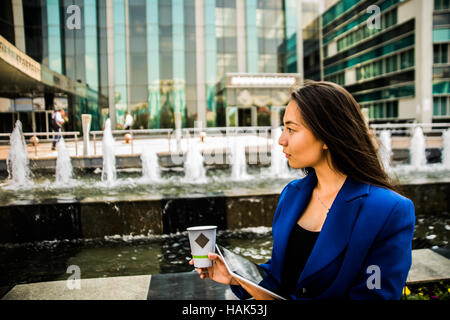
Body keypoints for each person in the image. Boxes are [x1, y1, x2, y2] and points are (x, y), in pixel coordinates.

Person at [190, 81, 415, 300]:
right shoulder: (292, 194)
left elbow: (374, 295)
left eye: (291, 129)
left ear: (327, 136)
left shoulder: (389, 210)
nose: (281, 140)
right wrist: (237, 276)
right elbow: (281, 277)